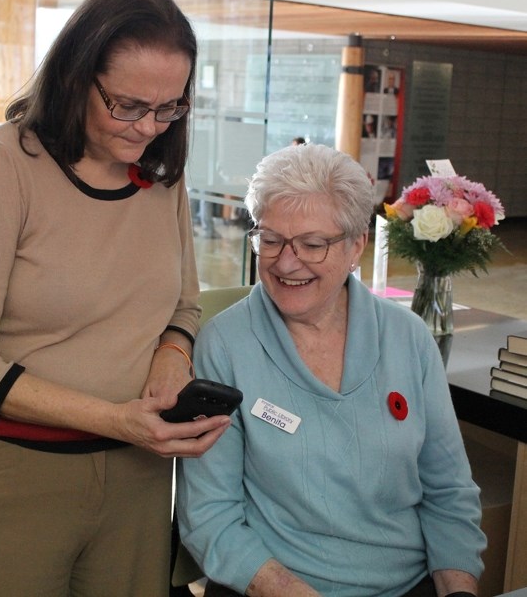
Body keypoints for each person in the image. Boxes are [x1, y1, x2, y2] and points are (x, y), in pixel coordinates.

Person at [0, 0, 231, 596]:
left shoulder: (159, 174)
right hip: (5, 468)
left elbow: (183, 307)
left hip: (136, 470)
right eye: (128, 105)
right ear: (73, 76)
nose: (149, 126)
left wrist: (172, 357)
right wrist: (117, 419)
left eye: (170, 106)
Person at [177, 144, 486, 597]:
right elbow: (210, 515)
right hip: (277, 587)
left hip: (407, 585)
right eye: (271, 239)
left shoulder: (409, 338)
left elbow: (449, 493)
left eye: (313, 244)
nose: (286, 262)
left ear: (356, 245)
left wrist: (458, 589)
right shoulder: (225, 344)